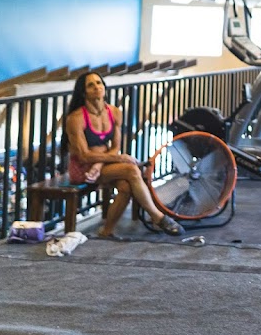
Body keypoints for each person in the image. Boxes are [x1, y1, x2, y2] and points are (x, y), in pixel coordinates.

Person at [63, 72, 184, 237]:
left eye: (99, 83)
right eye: (91, 85)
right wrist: (118, 158)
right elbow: (84, 155)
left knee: (126, 187)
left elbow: (116, 146)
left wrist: (100, 163)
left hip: (102, 166)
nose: (97, 87)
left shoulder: (114, 112)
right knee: (131, 170)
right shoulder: (76, 118)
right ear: (83, 92)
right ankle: (158, 216)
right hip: (83, 170)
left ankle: (106, 232)